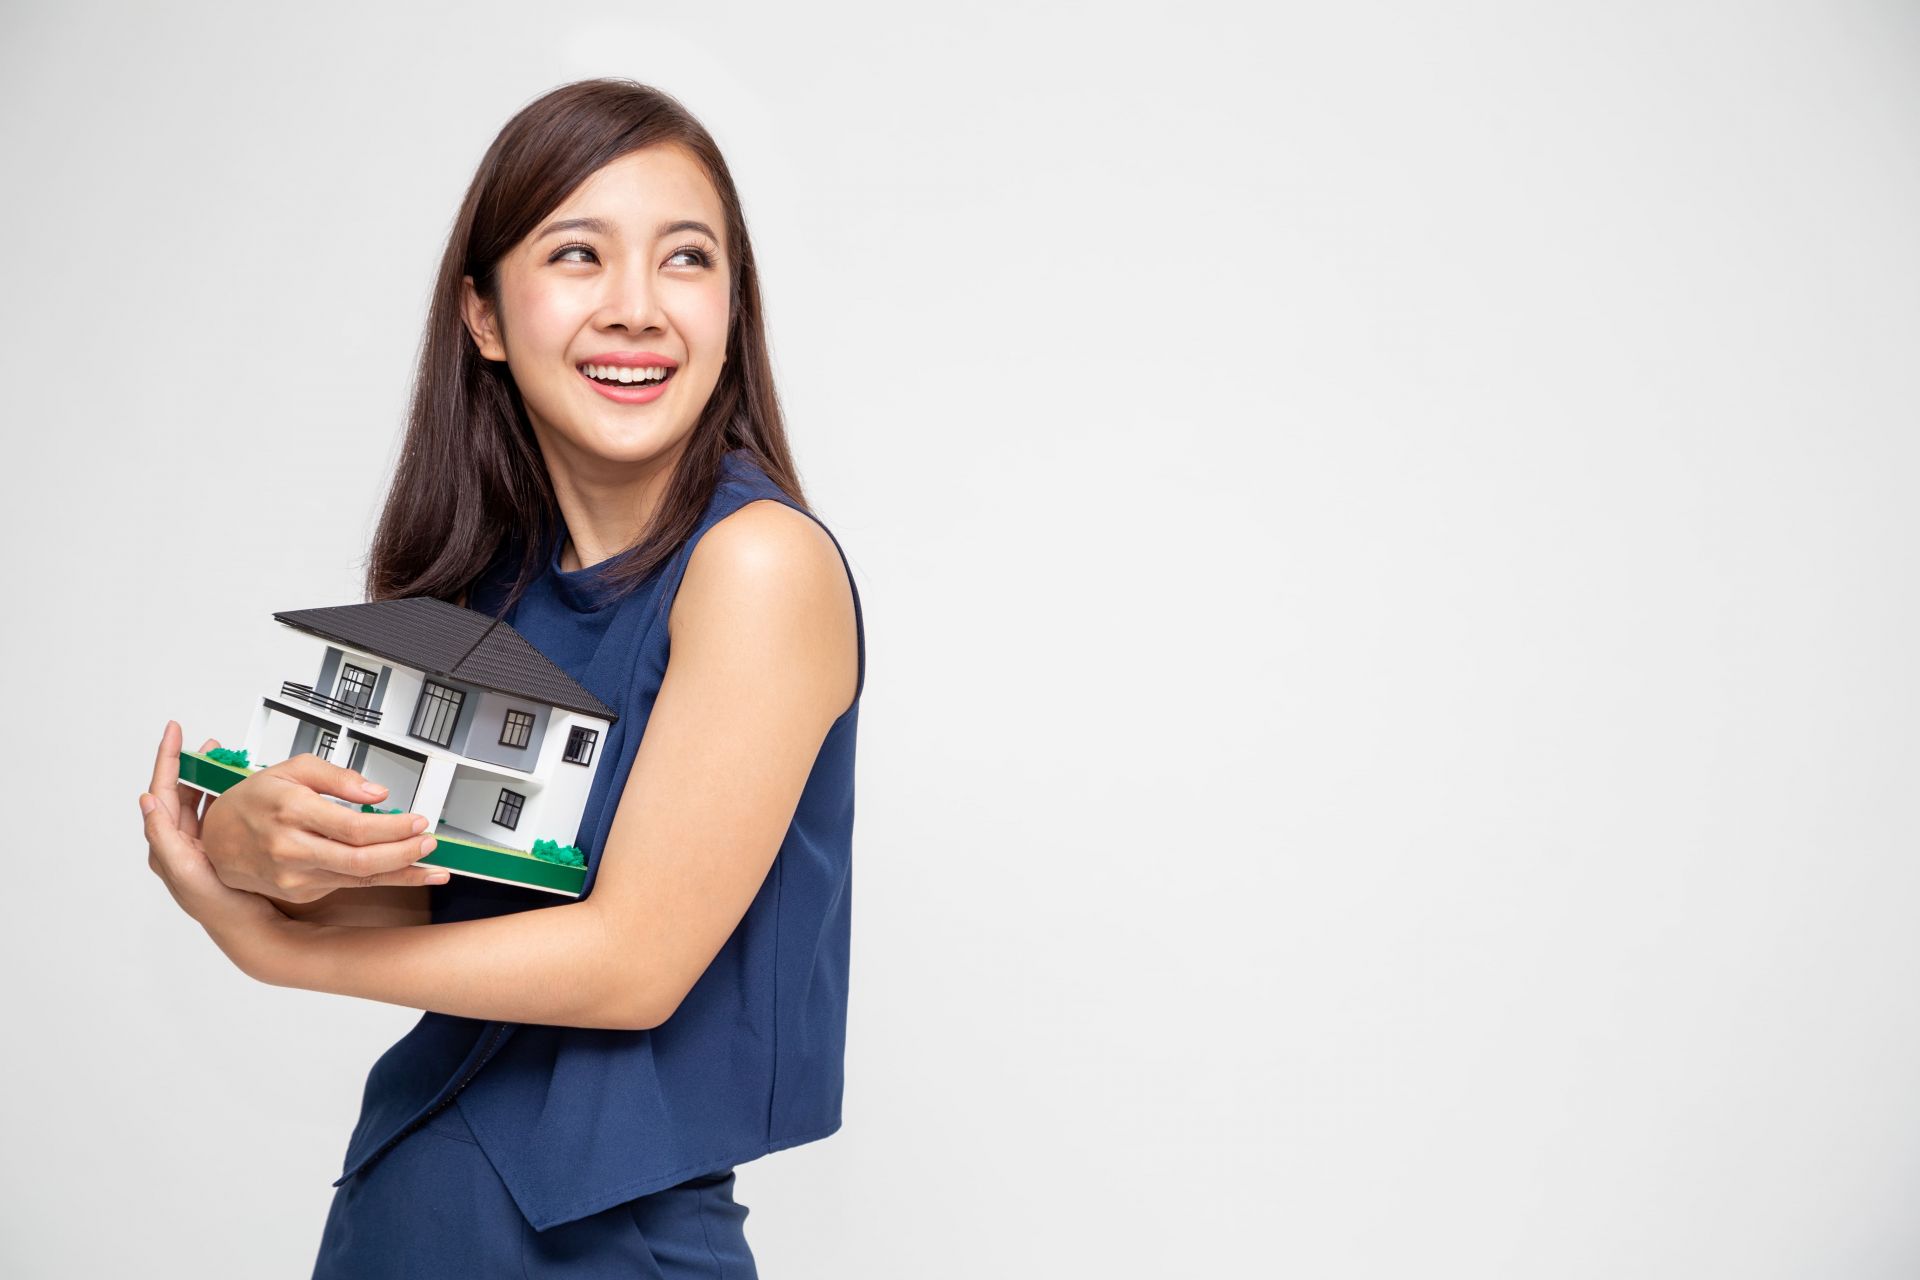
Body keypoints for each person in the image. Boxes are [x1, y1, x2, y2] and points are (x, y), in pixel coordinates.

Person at [137, 78, 865, 1279]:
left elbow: (632, 963)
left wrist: (277, 947)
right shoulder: (490, 587)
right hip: (396, 1210)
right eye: (578, 253)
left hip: (600, 1246)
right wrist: (257, 847)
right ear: (482, 314)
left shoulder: (758, 565)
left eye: (687, 258)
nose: (637, 307)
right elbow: (443, 900)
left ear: (733, 307)